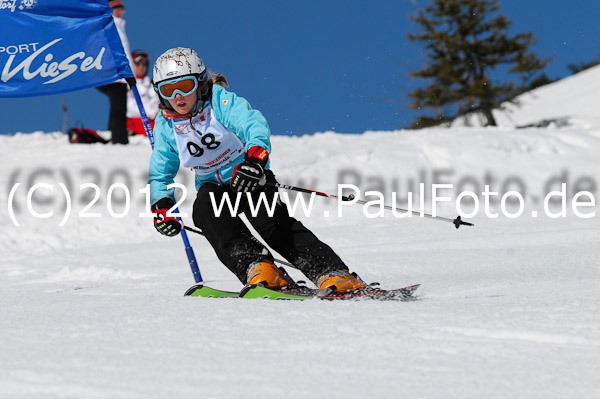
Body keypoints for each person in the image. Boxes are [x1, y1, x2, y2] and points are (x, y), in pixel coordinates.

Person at [148, 47, 366, 294]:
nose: (178, 96)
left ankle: (332, 272)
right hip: (215, 188)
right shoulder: (166, 126)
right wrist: (162, 205)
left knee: (272, 225)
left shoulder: (220, 102)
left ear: (199, 83)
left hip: (249, 177)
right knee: (205, 210)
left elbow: (253, 125)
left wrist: (254, 162)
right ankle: (261, 269)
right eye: (168, 90)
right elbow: (161, 173)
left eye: (185, 86)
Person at [96, 0, 132, 144]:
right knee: (119, 109)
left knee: (117, 107)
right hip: (117, 76)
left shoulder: (117, 25)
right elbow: (120, 52)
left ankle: (115, 135)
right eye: (117, 8)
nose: (120, 11)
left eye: (121, 8)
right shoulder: (112, 25)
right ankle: (119, 140)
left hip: (118, 75)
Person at [126, 50, 160, 136]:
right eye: (137, 64)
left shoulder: (152, 84)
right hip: (135, 121)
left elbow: (158, 101)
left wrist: (156, 112)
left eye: (144, 64)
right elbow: (129, 107)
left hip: (154, 120)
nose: (141, 67)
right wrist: (150, 112)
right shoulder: (126, 85)